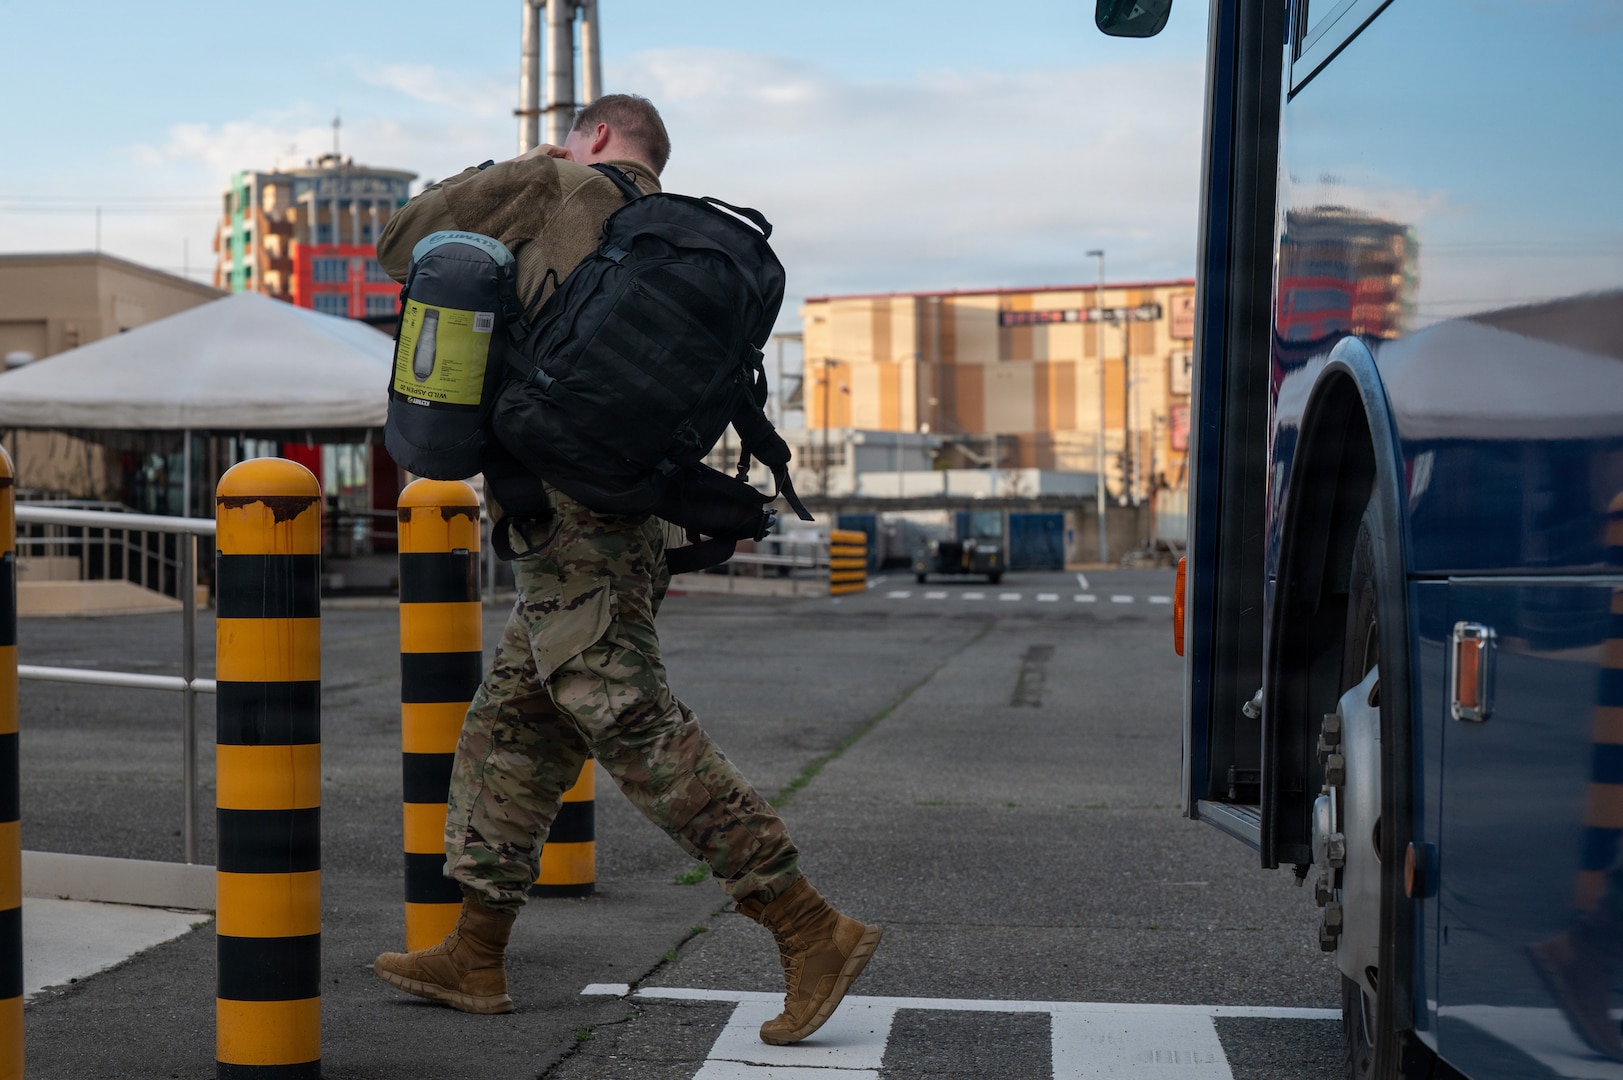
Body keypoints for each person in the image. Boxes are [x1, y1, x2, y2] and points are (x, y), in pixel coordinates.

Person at [370, 94, 882, 1047]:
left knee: (631, 721)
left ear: (596, 135)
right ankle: (474, 954)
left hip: (568, 519)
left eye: (574, 137)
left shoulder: (550, 181)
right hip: (628, 511)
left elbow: (400, 244)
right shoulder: (672, 241)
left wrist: (516, 160)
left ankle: (808, 926)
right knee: (512, 729)